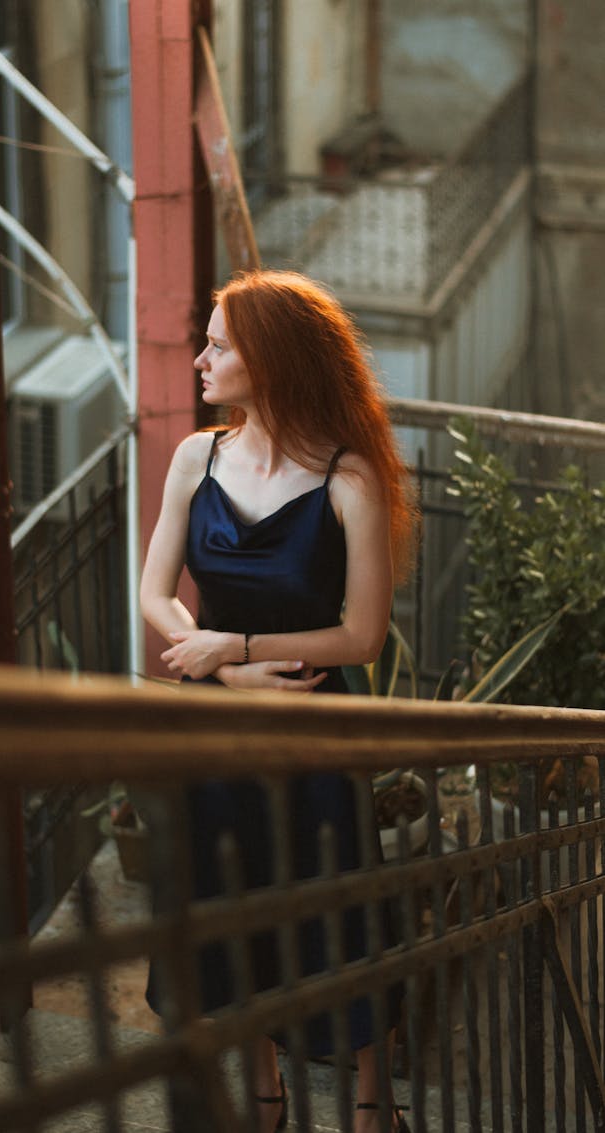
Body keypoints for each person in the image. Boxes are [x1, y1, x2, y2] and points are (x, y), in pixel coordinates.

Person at [140, 270, 416, 1133]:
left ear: (271, 358)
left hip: (315, 734)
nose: (200, 358)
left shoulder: (350, 477)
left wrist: (243, 648)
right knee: (229, 909)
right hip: (219, 729)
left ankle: (372, 1104)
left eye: (219, 344)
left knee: (341, 911)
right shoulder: (198, 457)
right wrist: (224, 669)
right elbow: (155, 595)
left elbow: (362, 637)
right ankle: (265, 1092)